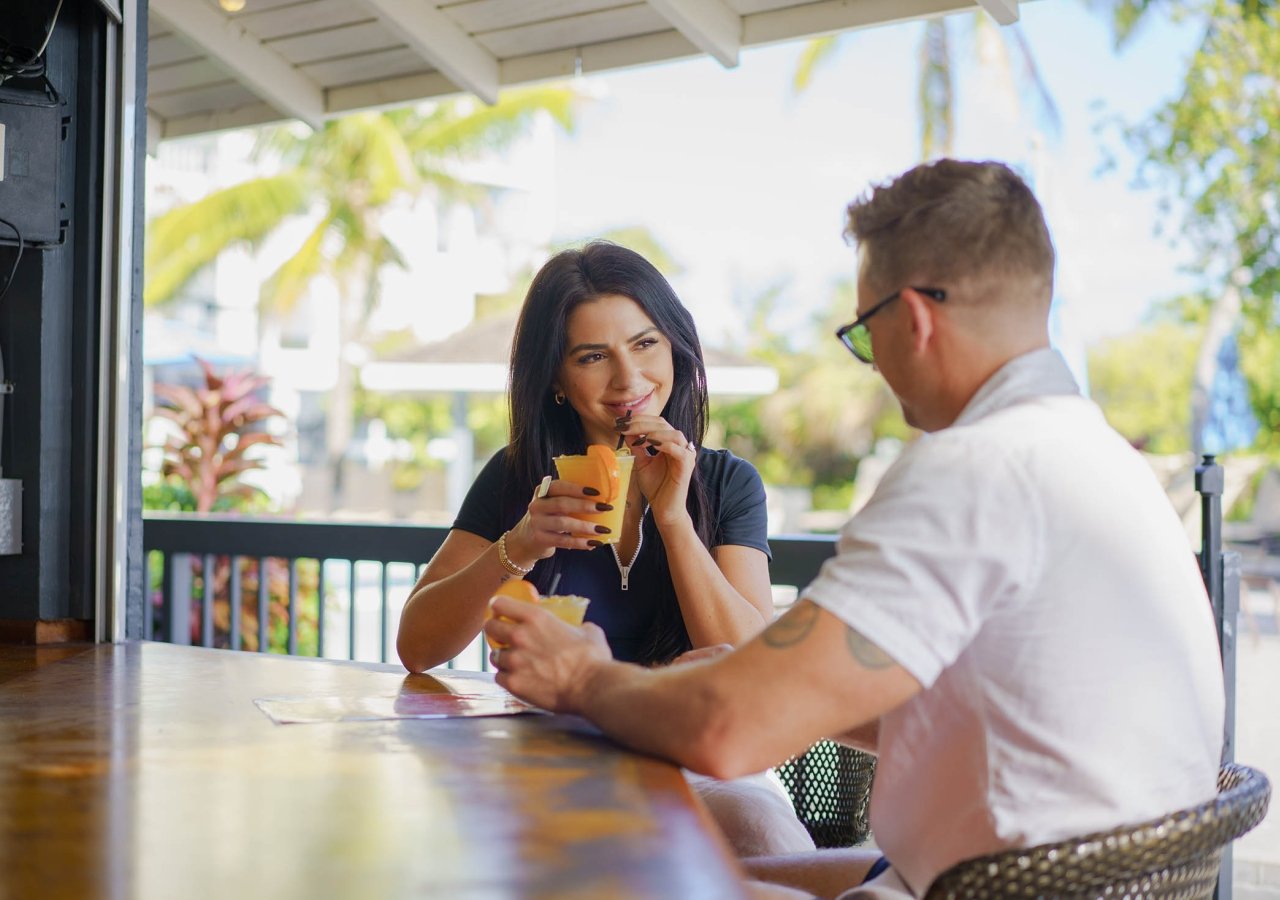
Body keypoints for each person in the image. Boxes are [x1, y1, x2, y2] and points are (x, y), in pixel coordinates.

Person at [483, 160, 1227, 899]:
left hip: (991, 888)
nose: (871, 365)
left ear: (915, 319)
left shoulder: (971, 469)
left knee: (604, 882)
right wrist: (792, 691)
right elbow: (977, 709)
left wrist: (581, 676)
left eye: (865, 334)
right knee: (725, 864)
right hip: (1073, 878)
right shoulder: (1101, 456)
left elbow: (728, 732)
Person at [396, 240, 815, 857]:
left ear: (675, 346)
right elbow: (417, 647)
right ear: (558, 379)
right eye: (593, 356)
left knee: (763, 837)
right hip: (553, 752)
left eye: (645, 343)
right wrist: (520, 543)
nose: (628, 379)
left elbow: (750, 664)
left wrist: (675, 520)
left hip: (693, 747)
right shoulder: (518, 479)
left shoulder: (727, 482)